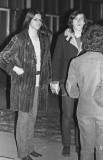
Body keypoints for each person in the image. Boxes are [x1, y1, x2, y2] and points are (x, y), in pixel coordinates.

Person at [0, 9, 52, 160]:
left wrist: (48, 80)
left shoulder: (43, 39)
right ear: (28, 20)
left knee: (32, 118)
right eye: (36, 19)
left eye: (40, 20)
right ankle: (23, 152)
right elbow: (2, 57)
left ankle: (30, 148)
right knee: (23, 119)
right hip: (23, 85)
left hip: (38, 83)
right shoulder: (19, 38)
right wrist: (15, 68)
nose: (39, 22)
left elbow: (46, 61)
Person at [66, 24, 103, 160]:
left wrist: (81, 95)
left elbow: (70, 89)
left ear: (86, 40)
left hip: (84, 110)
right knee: (102, 149)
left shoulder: (76, 61)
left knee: (86, 148)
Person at [50, 10, 87, 157]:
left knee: (81, 115)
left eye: (81, 19)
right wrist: (54, 81)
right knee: (67, 115)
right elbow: (57, 60)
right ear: (71, 21)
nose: (79, 21)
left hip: (85, 83)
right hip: (67, 82)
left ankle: (79, 144)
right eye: (76, 19)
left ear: (85, 22)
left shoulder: (88, 38)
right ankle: (66, 145)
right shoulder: (62, 38)